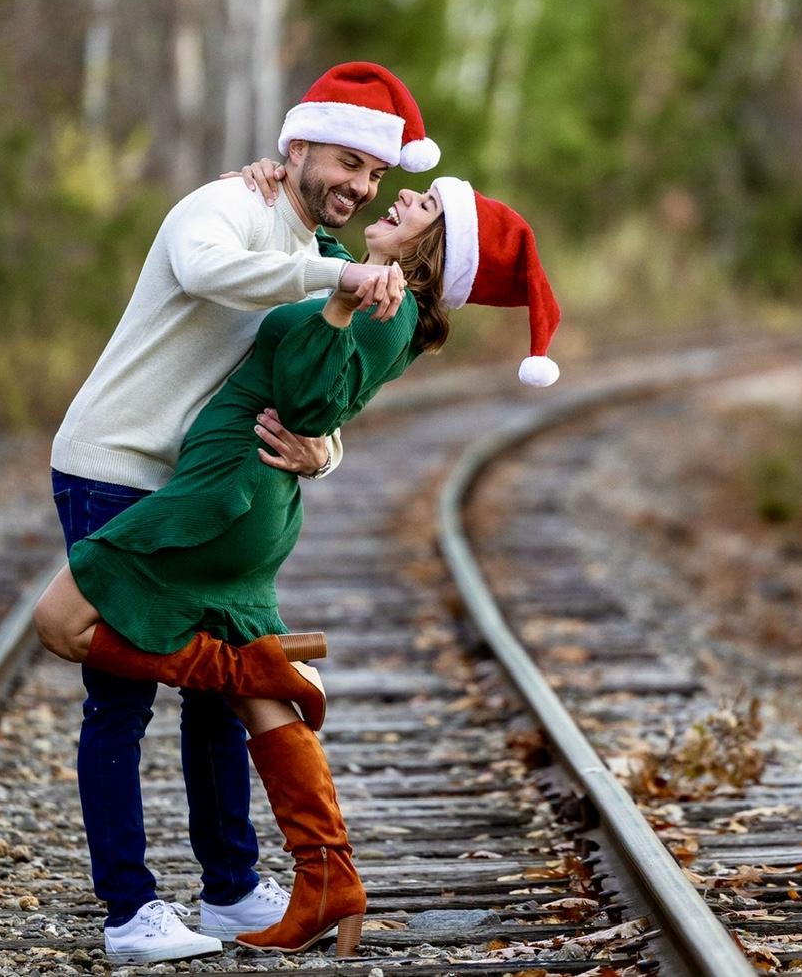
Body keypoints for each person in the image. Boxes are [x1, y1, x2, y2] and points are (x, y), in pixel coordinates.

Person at [34, 173, 562, 957]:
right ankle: (309, 877)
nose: (396, 195)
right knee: (239, 692)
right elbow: (299, 253)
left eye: (422, 205)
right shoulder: (363, 279)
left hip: (220, 497)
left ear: (433, 249)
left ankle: (168, 890)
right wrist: (270, 174)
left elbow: (316, 404)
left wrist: (338, 334)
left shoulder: (384, 306)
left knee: (62, 625)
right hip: (236, 495)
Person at [47, 62, 441, 964]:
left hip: (200, 485)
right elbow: (209, 272)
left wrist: (323, 453)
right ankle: (129, 912)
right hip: (117, 464)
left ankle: (227, 889)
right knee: (120, 699)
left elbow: (311, 385)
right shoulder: (224, 205)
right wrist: (336, 274)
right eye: (347, 162)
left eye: (374, 174)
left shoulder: (330, 257)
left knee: (219, 699)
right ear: (295, 147)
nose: (360, 186)